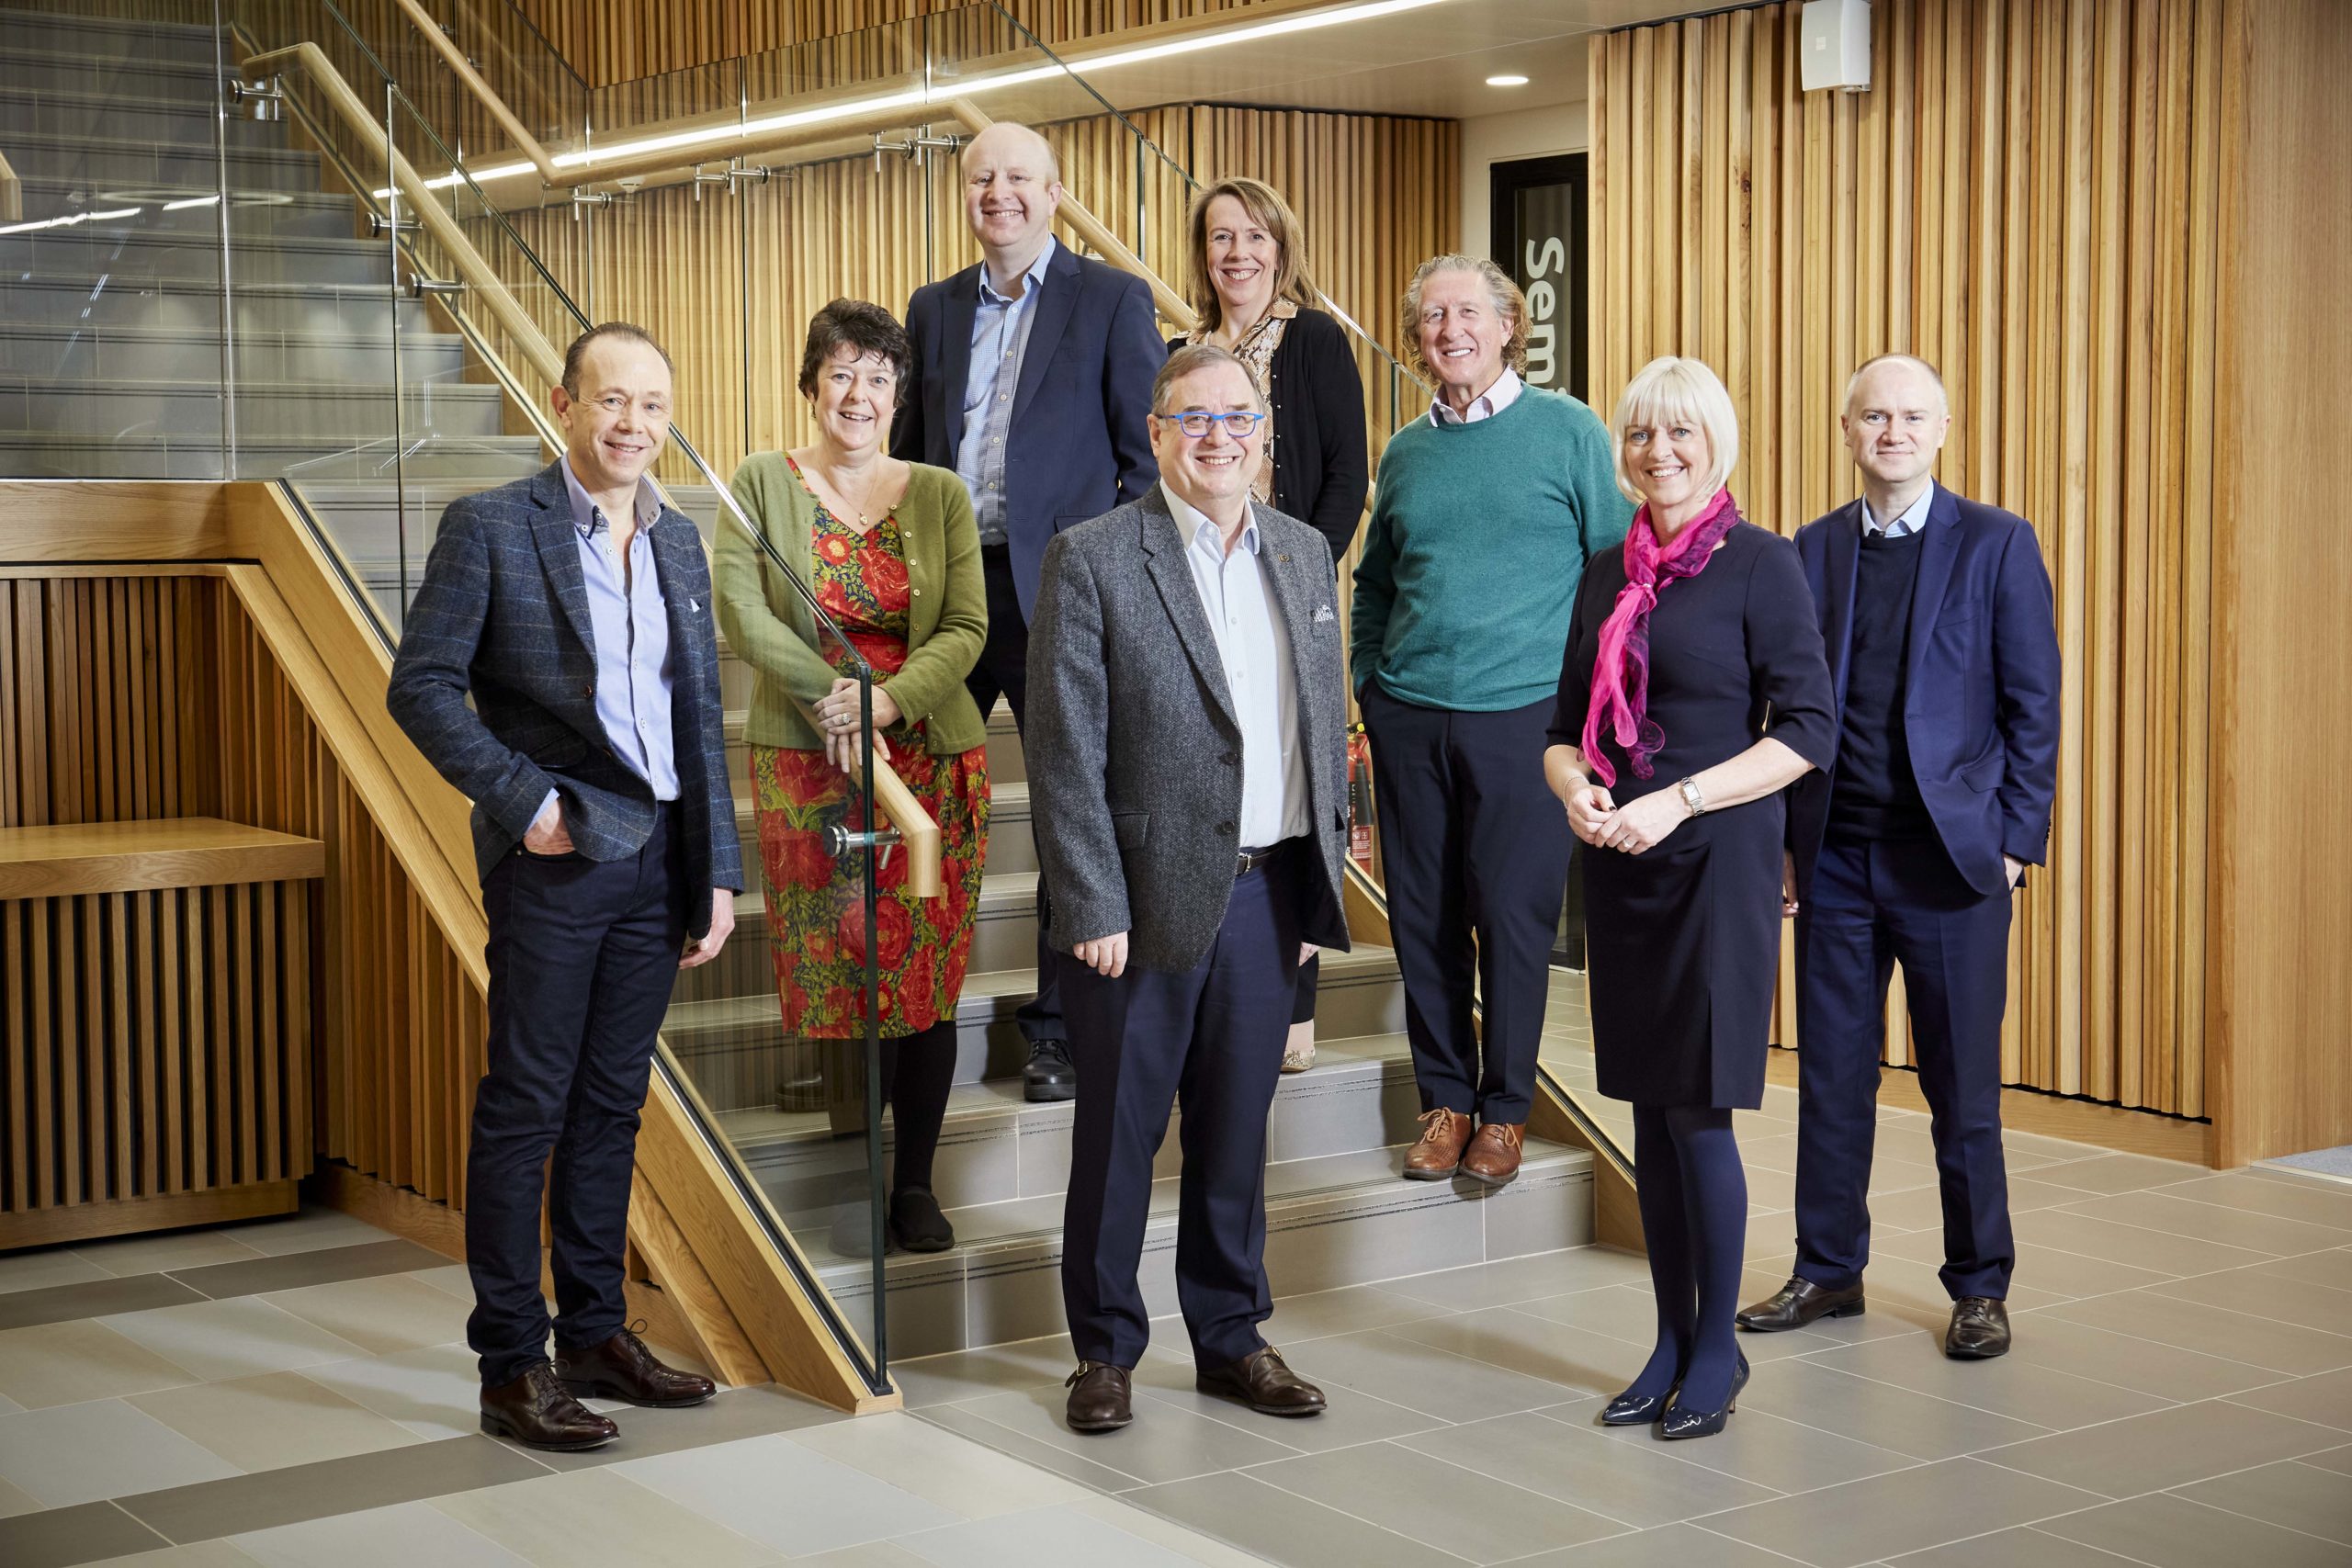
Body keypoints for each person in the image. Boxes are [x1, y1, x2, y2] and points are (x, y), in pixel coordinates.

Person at [388, 322, 740, 1451]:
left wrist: (716, 872)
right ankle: (510, 1365)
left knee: (611, 1104)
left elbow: (697, 721)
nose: (633, 424)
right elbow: (424, 687)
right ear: (564, 405)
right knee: (528, 1106)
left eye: (652, 403)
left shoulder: (682, 542)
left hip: (657, 862)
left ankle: (595, 1331)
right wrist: (524, 801)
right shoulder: (492, 526)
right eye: (611, 401)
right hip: (555, 858)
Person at [1027, 344, 1352, 1434]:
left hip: (1266, 896)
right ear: (1158, 434)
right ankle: (1105, 1351)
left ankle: (1230, 1336)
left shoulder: (1304, 556)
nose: (1218, 436)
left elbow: (1314, 724)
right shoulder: (1094, 556)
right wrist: (1092, 903)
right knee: (1118, 1136)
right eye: (1193, 419)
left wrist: (1313, 891)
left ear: (1264, 434)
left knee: (1232, 1134)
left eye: (1238, 418)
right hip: (1138, 899)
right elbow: (1064, 751)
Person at [1738, 354, 2061, 1360]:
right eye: (1873, 416)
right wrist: (1790, 845)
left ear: (1942, 428)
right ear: (1845, 430)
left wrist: (2013, 844)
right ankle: (1827, 1270)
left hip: (1951, 865)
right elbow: (1785, 709)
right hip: (1834, 857)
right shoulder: (1808, 551)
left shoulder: (1998, 545)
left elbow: (2033, 707)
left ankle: (1978, 1284)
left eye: (1911, 416)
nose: (1892, 432)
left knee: (1960, 1086)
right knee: (1831, 1078)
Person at [1545, 355, 1835, 1439]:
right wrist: (1576, 789)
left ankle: (1716, 1353)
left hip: (1714, 857)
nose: (1657, 454)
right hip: (1619, 859)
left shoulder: (1763, 564)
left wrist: (1679, 803)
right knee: (1645, 1119)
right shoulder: (1601, 569)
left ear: (1716, 443)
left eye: (1679, 435)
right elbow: (1561, 732)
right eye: (1638, 436)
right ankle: (1668, 1336)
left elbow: (1808, 731)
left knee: (1697, 1113)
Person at [894, 118, 1165, 1103]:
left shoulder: (1110, 299)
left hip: (1063, 594)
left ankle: (1057, 1031)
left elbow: (1145, 461)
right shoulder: (929, 310)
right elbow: (911, 456)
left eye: (1017, 178)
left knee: (1068, 809)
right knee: (914, 799)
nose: (997, 193)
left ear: (1055, 194)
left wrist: (1121, 588)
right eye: (980, 179)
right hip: (954, 596)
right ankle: (911, 1012)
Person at [716, 299, 990, 1256]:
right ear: (810, 386)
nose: (859, 394)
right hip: (808, 763)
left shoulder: (942, 494)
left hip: (928, 763)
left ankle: (912, 1181)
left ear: (899, 395)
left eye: (878, 377)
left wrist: (882, 701)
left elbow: (966, 628)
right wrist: (835, 697)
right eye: (841, 373)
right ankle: (850, 1150)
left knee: (927, 975)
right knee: (842, 964)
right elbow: (744, 617)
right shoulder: (760, 478)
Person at [1351, 254, 1633, 1188]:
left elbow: (1614, 580)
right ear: (1417, 337)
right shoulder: (1405, 451)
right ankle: (1446, 1100)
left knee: (1513, 921)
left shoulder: (1569, 433)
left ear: (1510, 324)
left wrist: (1590, 711)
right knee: (1423, 920)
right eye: (1432, 317)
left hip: (1525, 722)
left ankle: (1507, 1109)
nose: (1450, 331)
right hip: (1411, 715)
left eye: (1467, 312)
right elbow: (1377, 583)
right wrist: (1369, 683)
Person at [1169, 175, 1368, 1076]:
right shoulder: (1182, 352)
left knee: (1291, 797)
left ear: (1280, 247)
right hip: (1198, 594)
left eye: (1252, 236)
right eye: (1220, 238)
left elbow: (1345, 475)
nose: (1236, 254)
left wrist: (1297, 574)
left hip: (1289, 594)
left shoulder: (1315, 338)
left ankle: (1293, 1008)